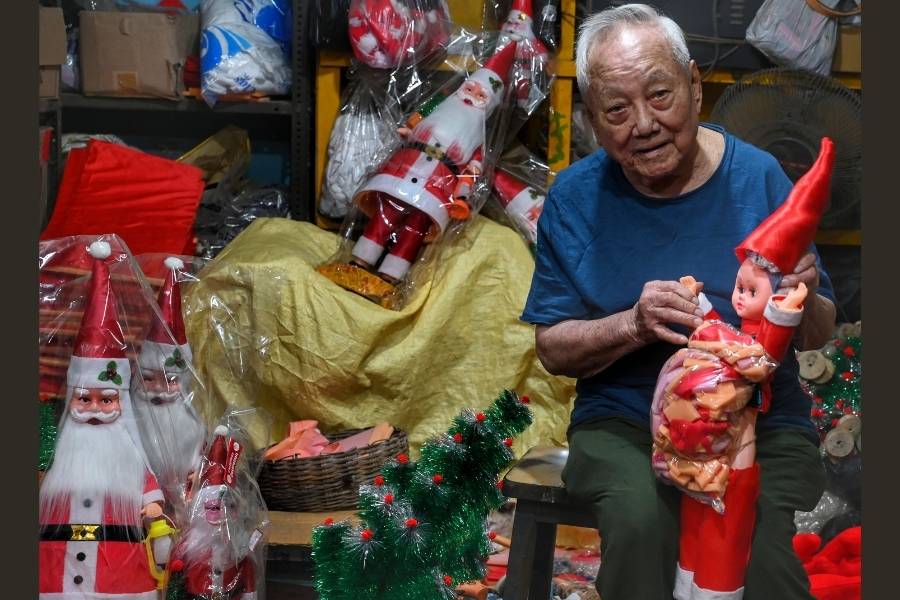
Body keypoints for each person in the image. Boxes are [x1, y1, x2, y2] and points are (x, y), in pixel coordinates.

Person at [520, 5, 837, 600]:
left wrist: (807, 295)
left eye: (660, 95)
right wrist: (631, 325)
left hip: (759, 423)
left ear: (694, 86)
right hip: (625, 422)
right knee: (639, 524)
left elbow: (819, 331)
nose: (643, 124)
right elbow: (553, 348)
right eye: (617, 109)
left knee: (761, 550)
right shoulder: (573, 198)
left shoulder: (760, 178)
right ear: (592, 118)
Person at [39, 241, 174, 599]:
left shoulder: (129, 457)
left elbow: (150, 499)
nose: (95, 409)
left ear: (121, 403)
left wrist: (153, 513)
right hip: (54, 570)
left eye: (107, 399)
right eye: (85, 398)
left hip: (117, 575)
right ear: (71, 400)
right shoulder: (54, 448)